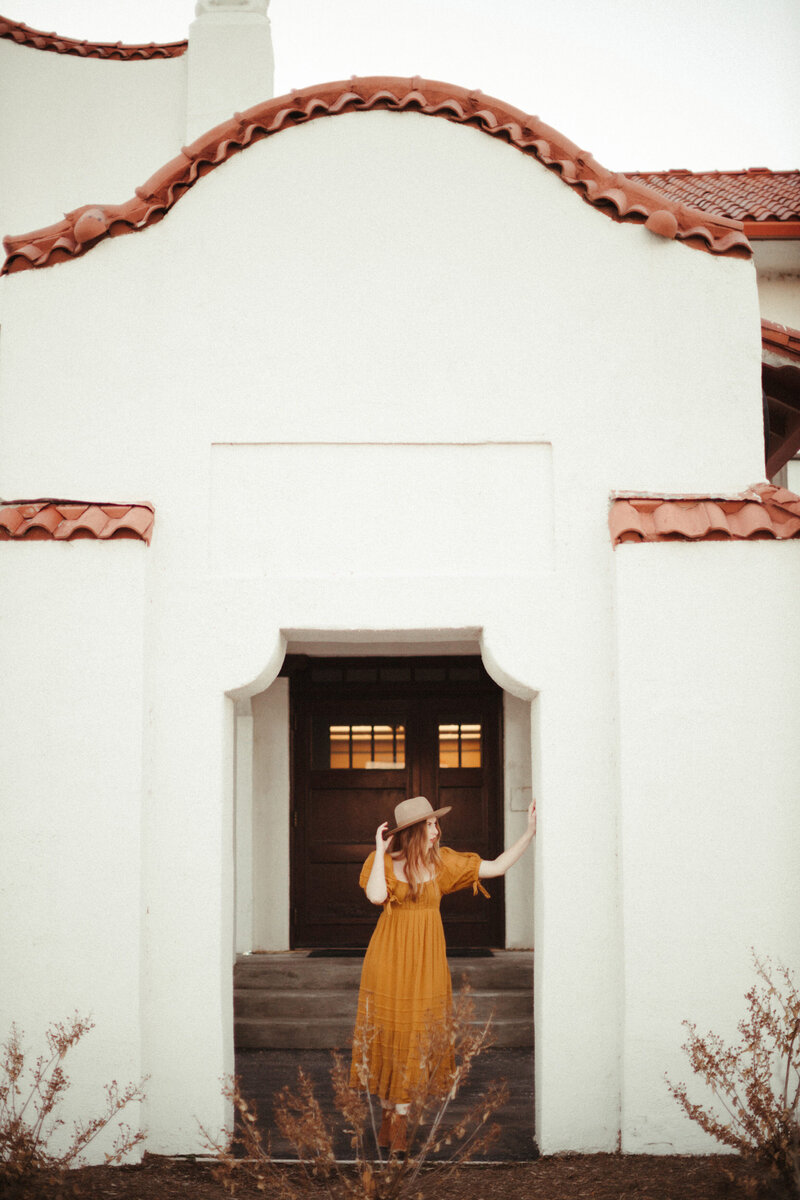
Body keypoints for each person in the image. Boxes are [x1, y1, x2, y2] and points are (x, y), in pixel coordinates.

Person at [349, 793, 537, 1153]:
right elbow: (375, 896)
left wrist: (529, 833)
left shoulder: (443, 864)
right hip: (387, 961)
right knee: (391, 1034)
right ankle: (393, 1117)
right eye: (431, 823)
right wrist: (378, 847)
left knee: (417, 1034)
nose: (437, 829)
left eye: (436, 822)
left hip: (427, 963)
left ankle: (396, 1117)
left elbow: (496, 867)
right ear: (416, 830)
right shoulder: (382, 862)